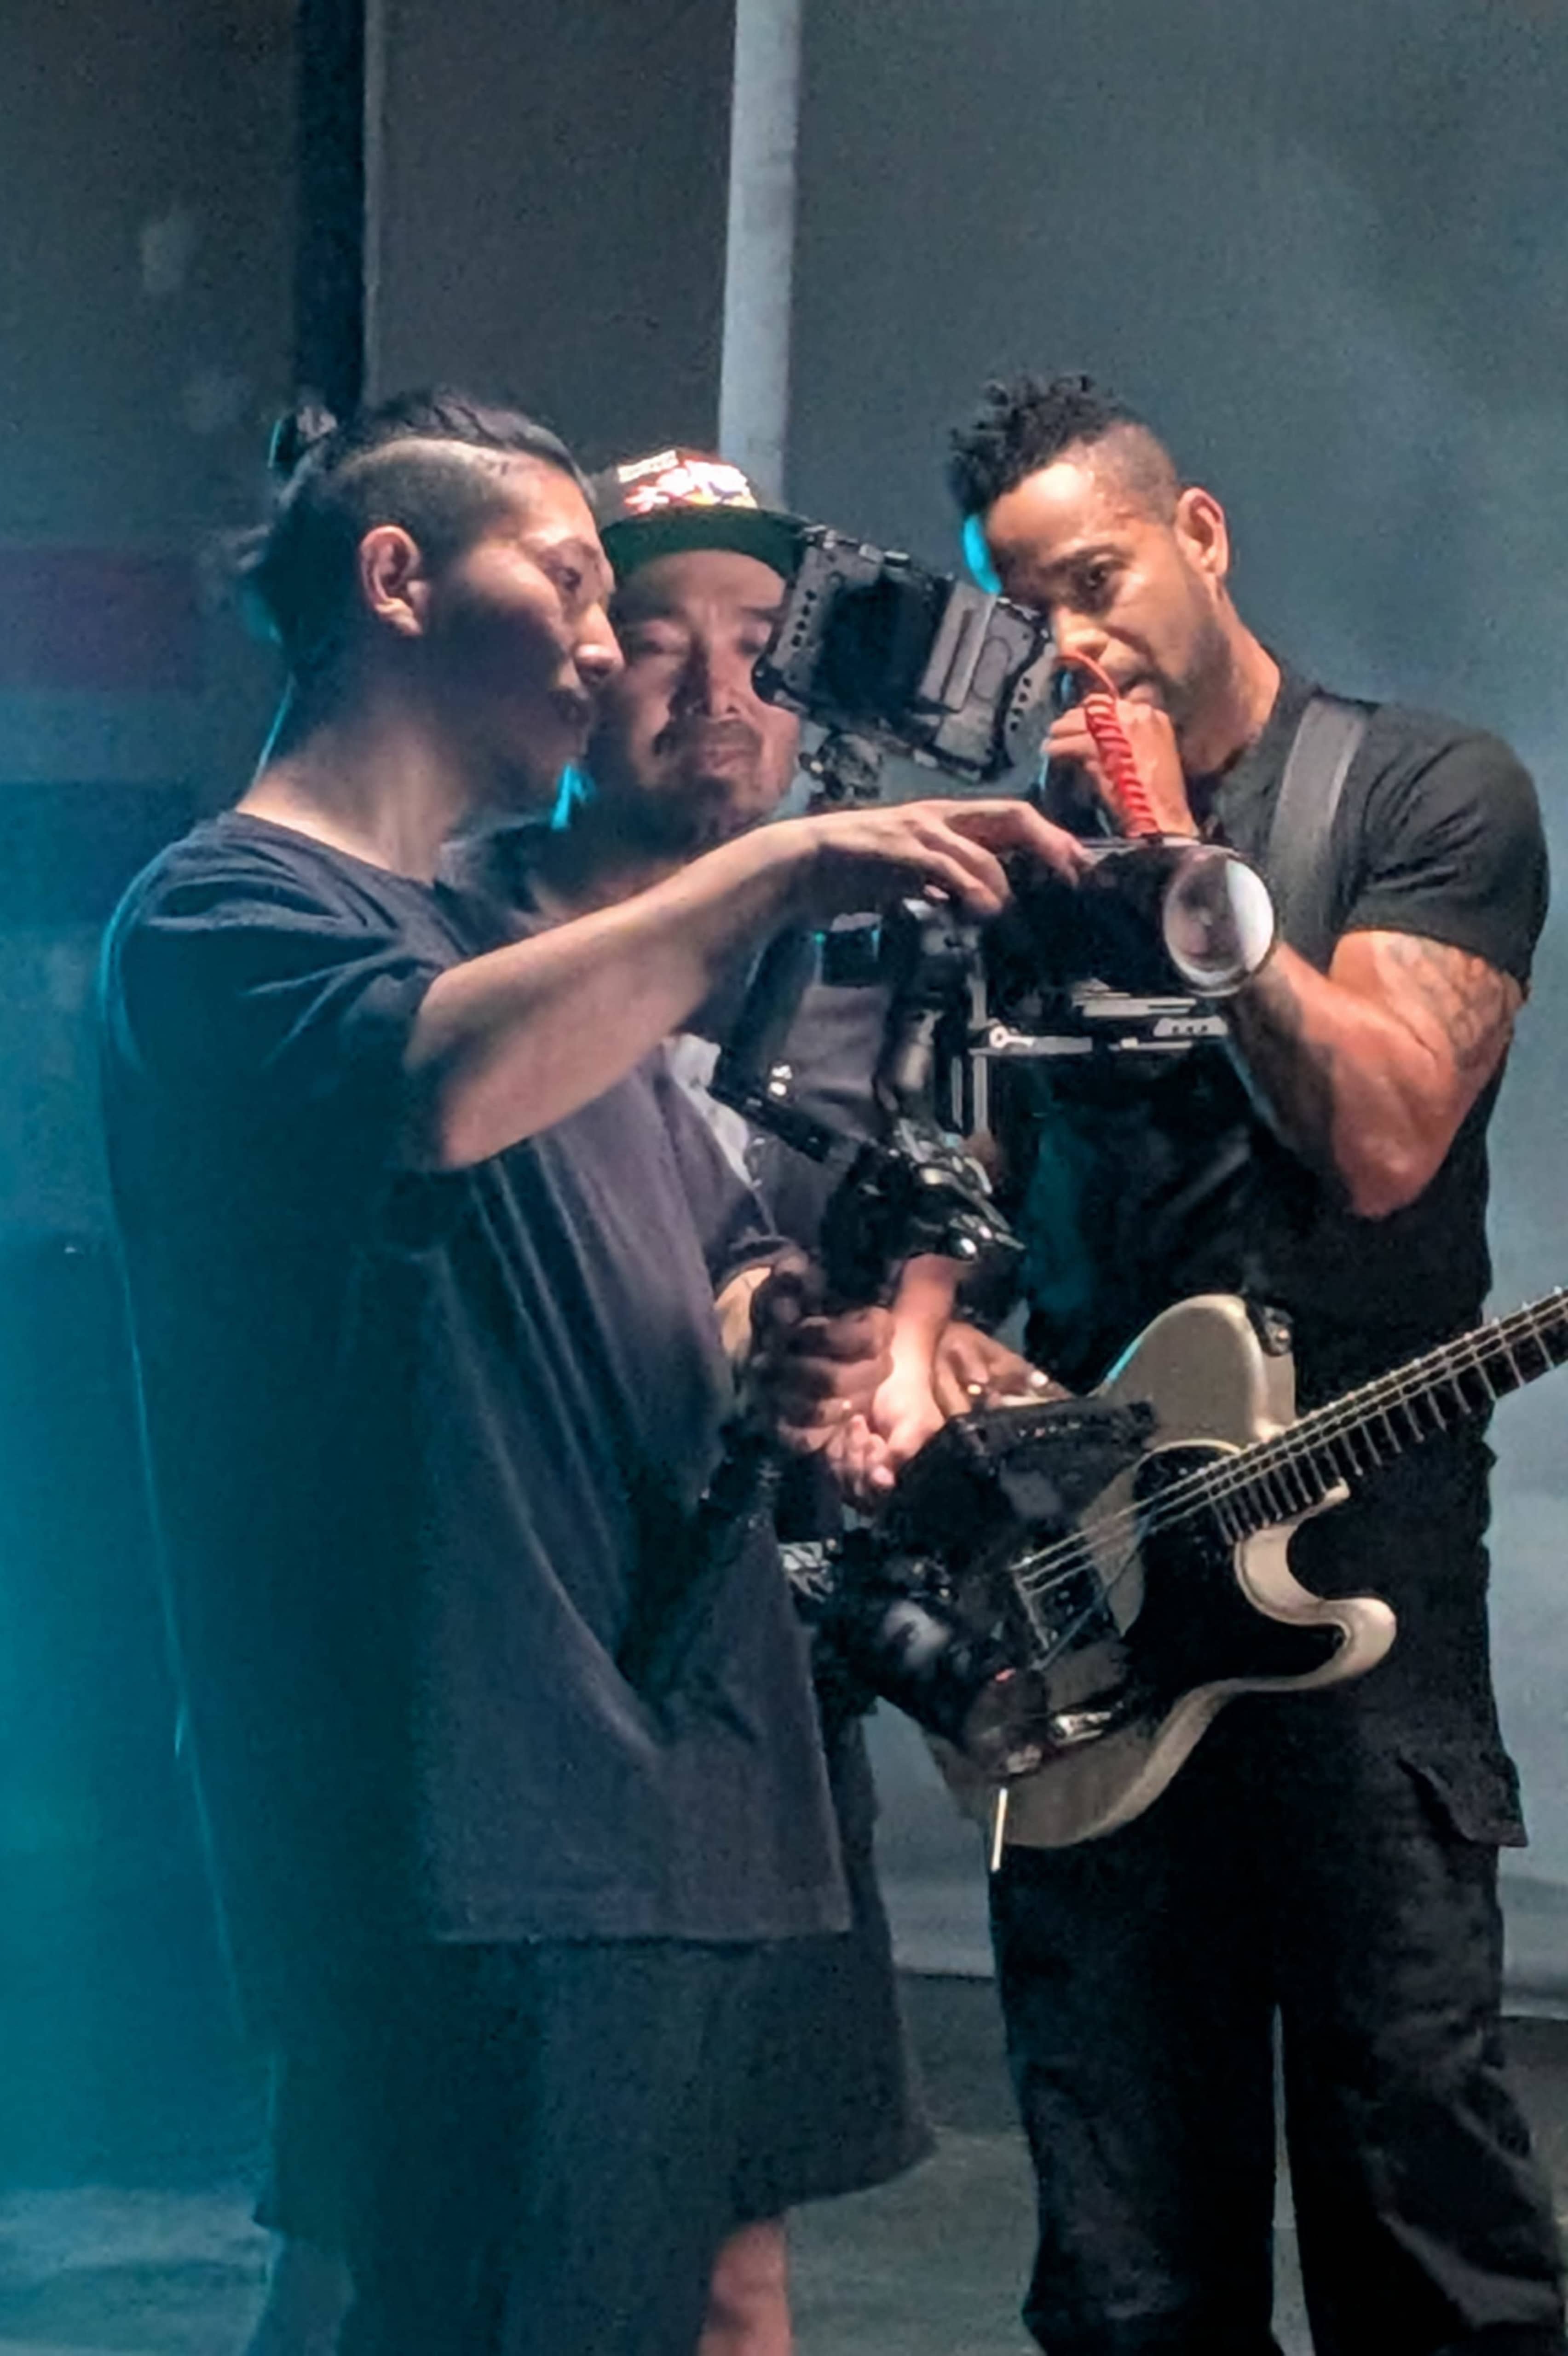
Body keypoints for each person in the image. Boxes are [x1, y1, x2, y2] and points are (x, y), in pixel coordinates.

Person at [101, 387, 1080, 2356]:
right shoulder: (226, 913)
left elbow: (706, 1269)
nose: (596, 640)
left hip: (670, 1823)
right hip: (478, 1828)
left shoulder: (509, 952)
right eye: (567, 583)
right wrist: (788, 870)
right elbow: (437, 1082)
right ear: (395, 578)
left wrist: (778, 1352)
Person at [941, 371, 1564, 2356]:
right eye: (1027, 605)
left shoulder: (1423, 793)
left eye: (1101, 577)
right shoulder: (1010, 872)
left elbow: (1384, 1135)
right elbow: (945, 1233)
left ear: (1201, 533)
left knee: (1419, 2188)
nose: (1074, 640)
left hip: (1366, 1585)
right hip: (1106, 1606)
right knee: (1127, 2251)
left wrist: (1187, 875)